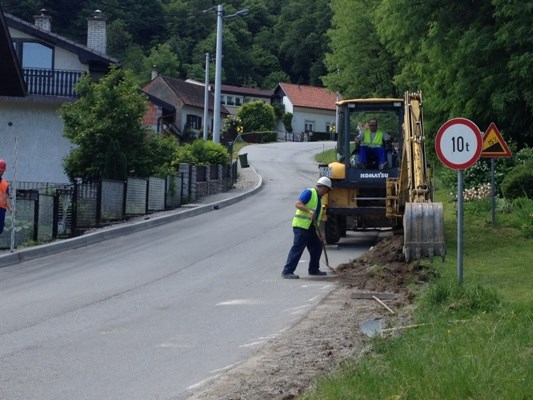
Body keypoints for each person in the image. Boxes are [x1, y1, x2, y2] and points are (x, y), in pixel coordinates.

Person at [281, 176, 332, 279]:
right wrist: (309, 211)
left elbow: (318, 219)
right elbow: (298, 204)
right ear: (323, 187)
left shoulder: (319, 199)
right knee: (298, 248)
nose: (326, 193)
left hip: (311, 228)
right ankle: (287, 271)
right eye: (327, 190)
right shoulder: (309, 192)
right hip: (301, 226)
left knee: (317, 247)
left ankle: (313, 269)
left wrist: (321, 234)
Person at [0, 159, 13, 235]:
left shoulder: (5, 184)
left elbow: (7, 198)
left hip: (1, 210)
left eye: (2, 171)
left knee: (0, 229)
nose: (0, 172)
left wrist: (10, 208)